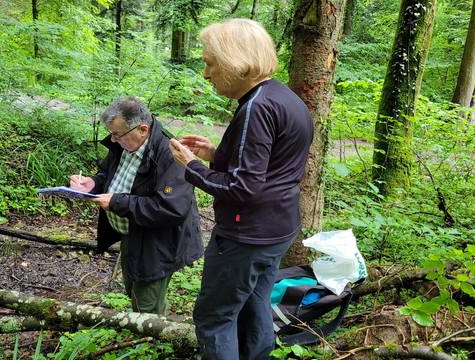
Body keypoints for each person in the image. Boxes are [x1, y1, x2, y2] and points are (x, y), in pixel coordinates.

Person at [168, 19, 314, 359]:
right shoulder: (283, 97)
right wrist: (216, 155)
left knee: (214, 317)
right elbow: (270, 167)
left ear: (236, 61)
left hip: (245, 237)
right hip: (277, 229)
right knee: (254, 303)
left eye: (210, 63)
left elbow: (242, 188)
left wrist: (192, 166)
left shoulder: (257, 107)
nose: (206, 74)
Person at [70, 96, 203, 315]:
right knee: (133, 289)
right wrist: (92, 183)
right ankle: (145, 335)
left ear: (142, 129)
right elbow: (109, 174)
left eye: (117, 134)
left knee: (146, 305)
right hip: (132, 233)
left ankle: (152, 343)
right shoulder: (125, 144)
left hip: (158, 243)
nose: (112, 140)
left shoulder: (171, 155)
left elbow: (170, 208)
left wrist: (116, 202)